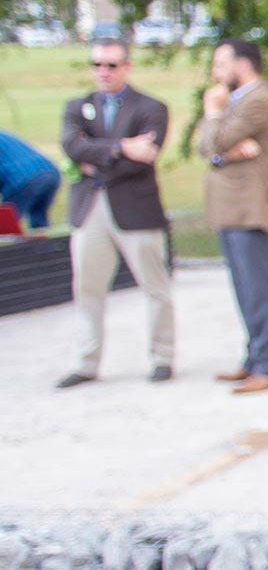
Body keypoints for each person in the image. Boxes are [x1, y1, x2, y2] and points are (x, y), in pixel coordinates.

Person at [56, 38, 174, 388]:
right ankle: (86, 362)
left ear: (126, 67)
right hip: (89, 207)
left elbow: (145, 156)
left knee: (155, 286)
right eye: (97, 65)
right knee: (87, 287)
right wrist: (123, 147)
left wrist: (94, 159)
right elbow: (71, 145)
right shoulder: (78, 107)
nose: (103, 72)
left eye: (111, 65)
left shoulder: (150, 107)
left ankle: (162, 357)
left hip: (135, 209)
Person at [195, 38, 268, 393]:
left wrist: (213, 111)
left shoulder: (257, 100)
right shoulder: (237, 102)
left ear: (243, 65)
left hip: (249, 208)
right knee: (243, 289)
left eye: (221, 64)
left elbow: (214, 140)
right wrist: (225, 152)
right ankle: (253, 359)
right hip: (230, 210)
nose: (215, 72)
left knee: (256, 289)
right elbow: (205, 147)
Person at [0, 129, 61, 232]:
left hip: (23, 179)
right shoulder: (3, 135)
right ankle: (44, 241)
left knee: (5, 226)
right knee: (39, 224)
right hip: (51, 172)